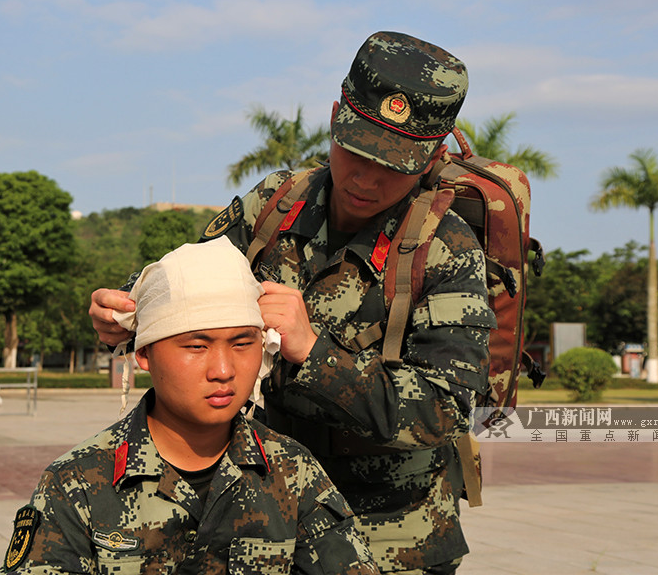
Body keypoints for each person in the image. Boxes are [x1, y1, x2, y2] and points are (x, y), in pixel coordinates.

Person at [90, 31, 495, 573]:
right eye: (357, 150)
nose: (366, 179)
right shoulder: (276, 202)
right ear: (334, 119)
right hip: (267, 519)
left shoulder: (447, 251)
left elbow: (443, 411)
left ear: (432, 159)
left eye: (393, 165)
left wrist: (313, 350)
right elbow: (193, 277)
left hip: (391, 540)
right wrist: (128, 306)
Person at [0, 237, 377, 574]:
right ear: (144, 354)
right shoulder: (77, 483)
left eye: (243, 343)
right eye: (197, 346)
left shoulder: (292, 471)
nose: (224, 370)